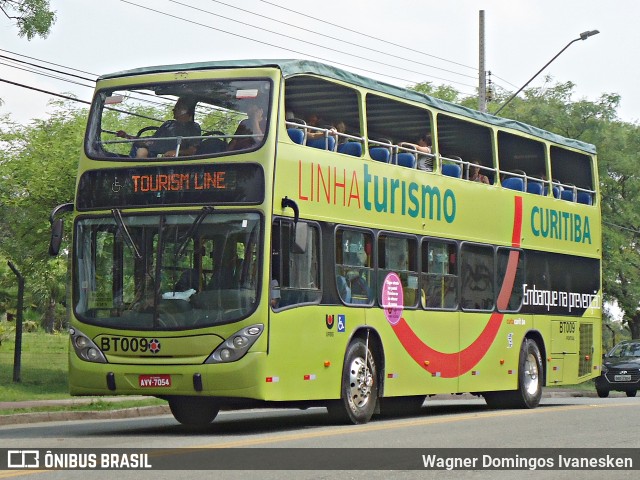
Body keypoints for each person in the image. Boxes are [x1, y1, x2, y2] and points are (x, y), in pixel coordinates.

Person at [117, 97, 201, 158]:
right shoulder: (168, 124)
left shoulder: (194, 128)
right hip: (156, 157)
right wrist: (127, 136)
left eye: (178, 108)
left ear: (186, 111)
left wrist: (176, 152)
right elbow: (152, 141)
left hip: (174, 161)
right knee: (141, 151)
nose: (174, 110)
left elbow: (192, 150)